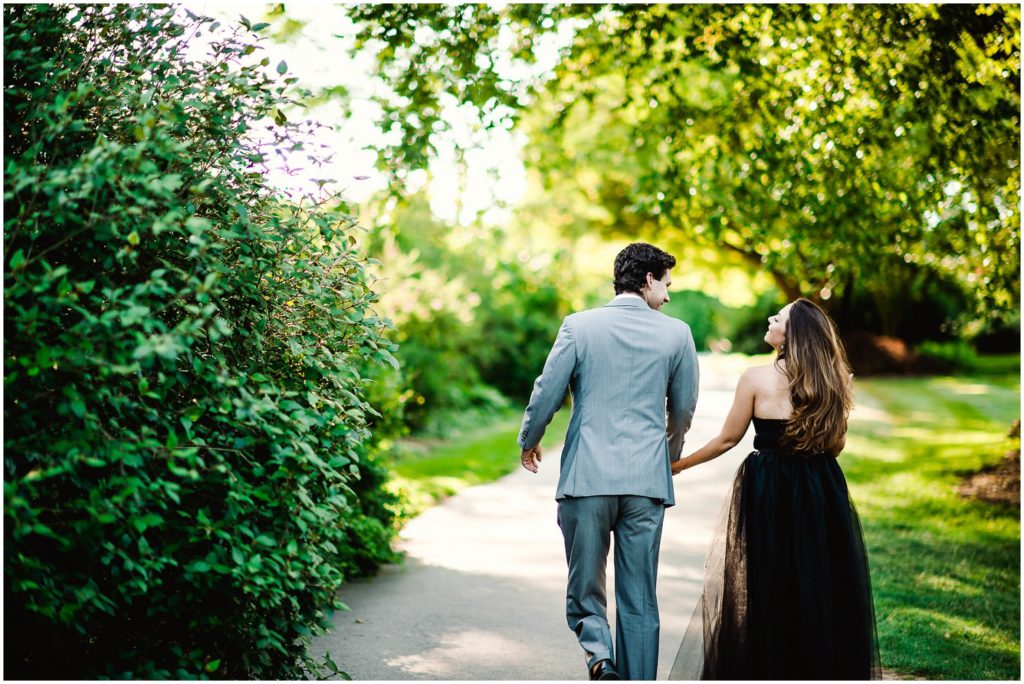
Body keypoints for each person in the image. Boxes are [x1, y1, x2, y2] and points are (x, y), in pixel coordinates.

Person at [669, 298, 881, 680]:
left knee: (767, 582)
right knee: (818, 581)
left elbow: (727, 440)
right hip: (820, 488)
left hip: (767, 489)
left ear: (792, 333)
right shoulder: (835, 379)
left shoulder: (754, 377)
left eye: (778, 317)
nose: (770, 318)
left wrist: (677, 466)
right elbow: (834, 447)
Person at [518, 242, 700, 681]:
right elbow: (683, 410)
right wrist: (668, 457)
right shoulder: (677, 334)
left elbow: (547, 392)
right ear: (648, 279)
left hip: (587, 480)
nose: (669, 296)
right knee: (640, 597)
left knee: (585, 587)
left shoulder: (578, 327)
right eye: (667, 284)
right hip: (645, 484)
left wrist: (531, 438)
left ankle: (600, 658)